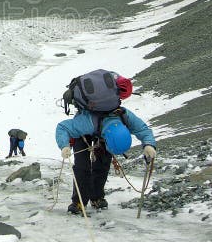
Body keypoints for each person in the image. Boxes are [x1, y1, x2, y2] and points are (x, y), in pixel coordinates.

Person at [55, 73, 156, 215]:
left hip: (102, 133)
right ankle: (78, 202)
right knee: (82, 166)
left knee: (103, 163)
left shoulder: (124, 115)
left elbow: (142, 129)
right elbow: (63, 127)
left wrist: (149, 145)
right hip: (83, 133)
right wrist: (64, 145)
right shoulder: (86, 123)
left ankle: (97, 197)